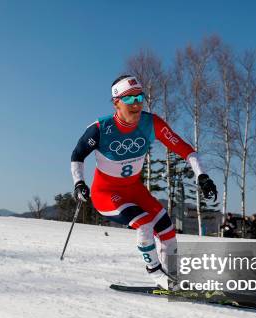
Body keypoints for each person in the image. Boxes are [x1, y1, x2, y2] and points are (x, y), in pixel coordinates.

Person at [70, 75, 218, 289]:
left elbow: (186, 150)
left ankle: (174, 276)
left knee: (167, 229)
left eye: (140, 97)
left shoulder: (152, 123)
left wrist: (202, 175)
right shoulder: (100, 128)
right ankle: (155, 273)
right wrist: (79, 183)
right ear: (116, 103)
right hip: (107, 194)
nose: (137, 103)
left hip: (135, 190)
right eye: (129, 99)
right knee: (144, 223)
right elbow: (77, 154)